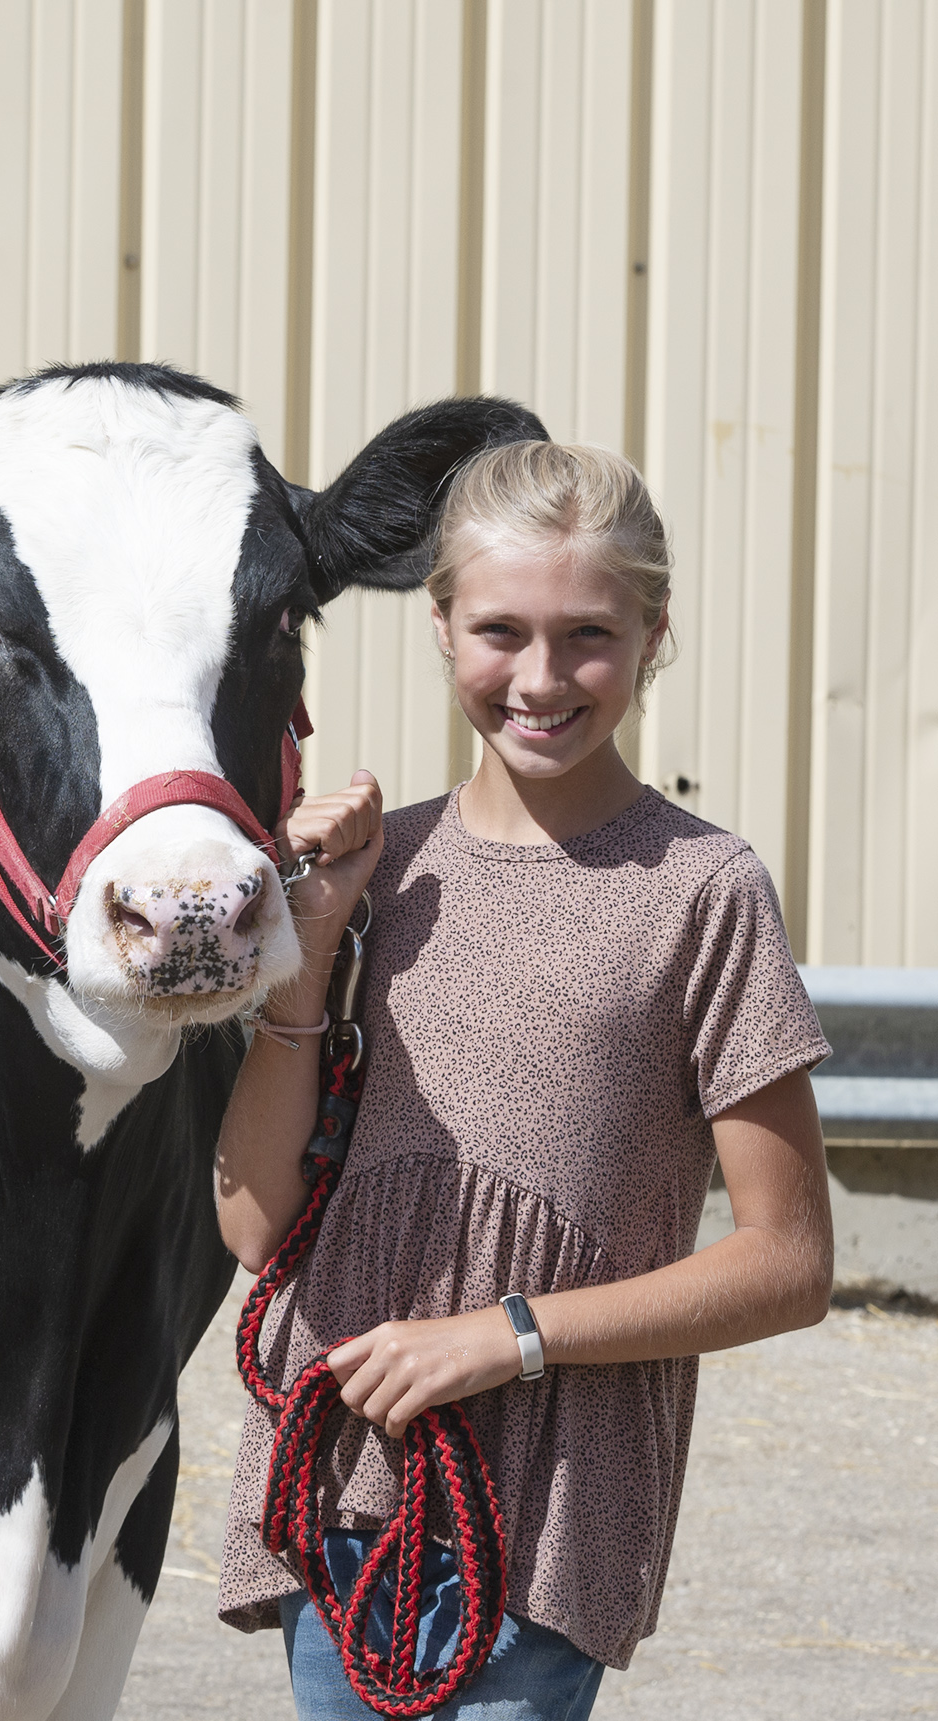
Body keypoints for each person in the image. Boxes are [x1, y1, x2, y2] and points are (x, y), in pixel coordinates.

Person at [212, 440, 836, 1719]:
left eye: (588, 635)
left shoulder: (700, 893)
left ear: (653, 633)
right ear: (439, 626)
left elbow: (790, 1260)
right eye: (500, 629)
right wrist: (306, 952)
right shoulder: (377, 870)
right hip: (341, 1477)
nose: (541, 679)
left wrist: (505, 1337)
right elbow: (251, 1219)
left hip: (542, 1509)